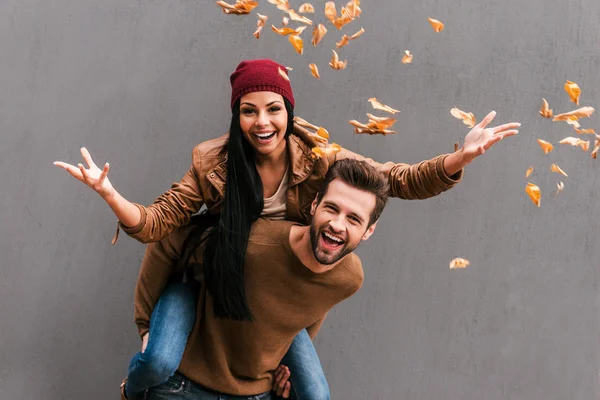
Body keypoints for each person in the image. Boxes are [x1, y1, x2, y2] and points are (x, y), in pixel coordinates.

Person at [54, 59, 520, 399]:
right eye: (249, 110)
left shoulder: (319, 159)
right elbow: (159, 224)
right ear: (237, 116)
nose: (262, 122)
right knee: (155, 360)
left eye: (273, 109)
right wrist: (110, 194)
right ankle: (131, 393)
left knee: (313, 393)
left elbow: (394, 179)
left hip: (279, 283)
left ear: (288, 112)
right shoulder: (213, 163)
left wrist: (460, 158)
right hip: (212, 273)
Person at [133, 158, 390, 400]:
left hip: (254, 392)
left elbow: (314, 304)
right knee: (157, 361)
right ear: (314, 206)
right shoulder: (252, 244)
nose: (337, 224)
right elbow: (169, 239)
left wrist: (285, 364)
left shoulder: (349, 278)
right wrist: (145, 325)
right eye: (331, 208)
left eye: (354, 219)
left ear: (369, 230)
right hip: (184, 382)